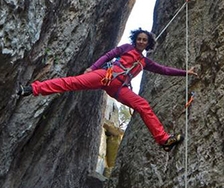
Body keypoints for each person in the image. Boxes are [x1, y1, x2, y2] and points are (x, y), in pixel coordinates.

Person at [18, 28, 197, 151]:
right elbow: (109, 55)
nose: (141, 41)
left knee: (142, 105)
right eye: (139, 39)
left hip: (119, 88)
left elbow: (164, 70)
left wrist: (185, 73)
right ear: (135, 40)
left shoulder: (145, 62)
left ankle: (164, 140)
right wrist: (92, 68)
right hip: (105, 75)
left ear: (148, 43)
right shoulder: (127, 48)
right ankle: (32, 89)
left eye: (145, 40)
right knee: (71, 83)